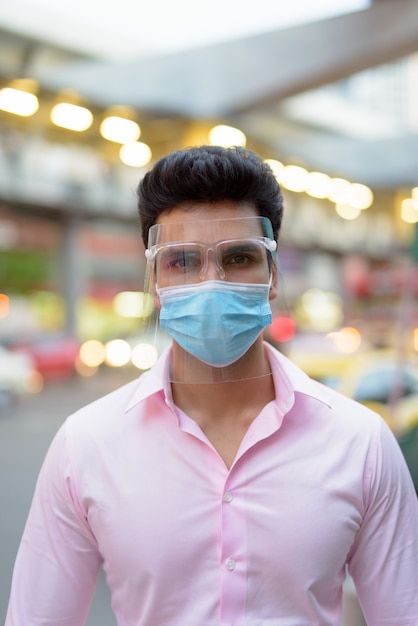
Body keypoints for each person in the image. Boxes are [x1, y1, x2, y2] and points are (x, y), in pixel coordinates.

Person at [6, 145, 418, 625]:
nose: (212, 281)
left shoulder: (361, 443)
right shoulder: (84, 446)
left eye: (239, 257)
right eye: (182, 261)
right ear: (154, 280)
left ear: (273, 276)